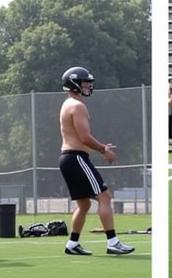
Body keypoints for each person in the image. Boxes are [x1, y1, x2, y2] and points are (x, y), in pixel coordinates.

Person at [57, 66, 135, 257]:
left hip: (68, 158)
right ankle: (113, 242)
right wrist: (103, 150)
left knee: (84, 205)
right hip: (76, 157)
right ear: (74, 84)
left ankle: (72, 243)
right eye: (85, 82)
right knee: (104, 196)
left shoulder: (68, 104)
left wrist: (100, 147)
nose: (89, 86)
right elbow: (84, 137)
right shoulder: (77, 105)